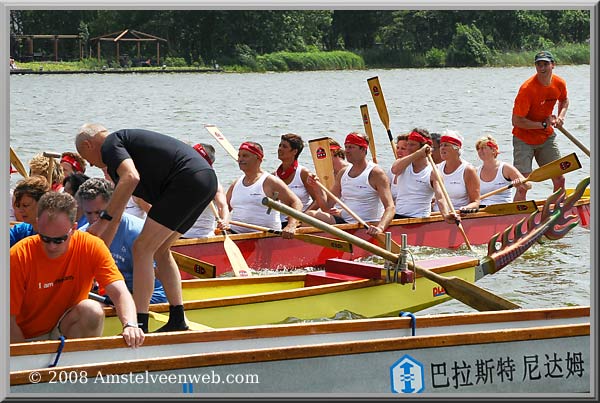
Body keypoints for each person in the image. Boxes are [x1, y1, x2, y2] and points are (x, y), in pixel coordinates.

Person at [75, 124, 218, 333]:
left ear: (88, 144)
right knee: (160, 250)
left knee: (142, 248)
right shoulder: (124, 154)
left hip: (186, 181)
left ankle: (140, 323)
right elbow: (116, 217)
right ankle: (178, 319)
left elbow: (132, 177)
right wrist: (99, 247)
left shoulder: (111, 145)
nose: (90, 164)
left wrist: (102, 221)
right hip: (205, 181)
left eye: (86, 157)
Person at [10, 192, 144, 347]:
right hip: (23, 336)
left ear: (73, 229)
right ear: (38, 224)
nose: (52, 246)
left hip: (63, 328)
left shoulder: (91, 246)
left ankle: (79, 365)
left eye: (59, 240)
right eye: (45, 238)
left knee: (92, 310)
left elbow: (119, 292)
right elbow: (8, 321)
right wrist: (26, 357)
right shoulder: (18, 256)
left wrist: (131, 325)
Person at [76, 178, 167, 304]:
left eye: (100, 213)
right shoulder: (82, 235)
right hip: (107, 298)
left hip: (149, 299)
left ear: (113, 207)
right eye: (89, 213)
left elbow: (160, 291)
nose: (94, 219)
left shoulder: (138, 233)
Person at [306, 132, 395, 235]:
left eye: (351, 147)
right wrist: (316, 187)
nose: (347, 151)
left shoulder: (376, 173)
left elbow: (390, 207)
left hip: (367, 225)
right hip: (346, 221)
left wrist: (380, 228)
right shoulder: (343, 172)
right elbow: (326, 207)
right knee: (309, 216)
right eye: (346, 147)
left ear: (363, 149)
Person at [511, 50, 569, 200]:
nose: (542, 68)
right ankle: (518, 218)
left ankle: (558, 213)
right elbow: (516, 121)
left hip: (546, 138)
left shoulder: (559, 83)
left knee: (559, 179)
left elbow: (564, 100)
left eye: (545, 64)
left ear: (553, 65)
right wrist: (543, 124)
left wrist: (561, 116)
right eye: (539, 65)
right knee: (523, 185)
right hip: (524, 139)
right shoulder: (527, 89)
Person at [225, 141, 303, 237]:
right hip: (236, 234)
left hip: (266, 236)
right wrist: (223, 221)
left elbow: (296, 203)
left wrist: (291, 225)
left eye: (245, 156)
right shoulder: (236, 183)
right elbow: (224, 207)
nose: (240, 159)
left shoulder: (270, 181)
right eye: (239, 156)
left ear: (258, 158)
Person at [390, 130, 456, 222]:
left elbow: (440, 197)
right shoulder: (402, 165)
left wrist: (445, 215)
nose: (408, 148)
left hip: (420, 219)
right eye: (408, 144)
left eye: (412, 145)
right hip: (398, 216)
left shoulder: (433, 172)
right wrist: (418, 153)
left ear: (424, 147)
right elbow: (394, 170)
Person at [274, 133, 327, 225]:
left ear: (294, 151)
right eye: (280, 145)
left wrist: (302, 217)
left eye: (284, 146)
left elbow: (317, 200)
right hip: (279, 221)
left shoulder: (303, 173)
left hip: (300, 220)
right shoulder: (273, 176)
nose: (280, 149)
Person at [182, 143, 229, 238]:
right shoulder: (182, 179)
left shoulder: (214, 184)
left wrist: (225, 221)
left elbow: (223, 206)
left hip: (202, 236)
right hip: (177, 235)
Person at [432, 130, 480, 212]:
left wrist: (466, 208)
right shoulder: (436, 168)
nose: (442, 148)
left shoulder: (468, 170)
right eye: (441, 145)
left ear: (456, 148)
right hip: (437, 214)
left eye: (446, 145)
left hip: (458, 214)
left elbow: (476, 202)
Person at [475, 135, 531, 205]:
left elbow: (528, 186)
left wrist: (522, 182)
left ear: (493, 150)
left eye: (483, 148)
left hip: (502, 207)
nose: (480, 151)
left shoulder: (505, 168)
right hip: (482, 209)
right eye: (478, 149)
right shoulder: (476, 171)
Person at [10, 176, 50, 247]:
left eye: (25, 205)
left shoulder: (57, 233)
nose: (20, 210)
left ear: (42, 203)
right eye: (18, 206)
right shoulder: (21, 230)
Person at [388, 132, 411, 200]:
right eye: (397, 148)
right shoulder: (392, 169)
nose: (398, 151)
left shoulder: (414, 170)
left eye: (403, 148)